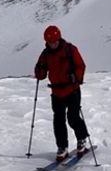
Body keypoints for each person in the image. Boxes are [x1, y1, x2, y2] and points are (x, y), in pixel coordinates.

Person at [34, 25, 89, 162]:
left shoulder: (70, 49)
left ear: (58, 39)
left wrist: (76, 77)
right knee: (58, 121)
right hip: (56, 92)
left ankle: (82, 139)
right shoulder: (45, 54)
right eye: (50, 42)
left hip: (72, 90)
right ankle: (62, 147)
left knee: (73, 117)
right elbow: (40, 70)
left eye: (54, 42)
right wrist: (39, 71)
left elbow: (80, 66)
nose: (52, 44)